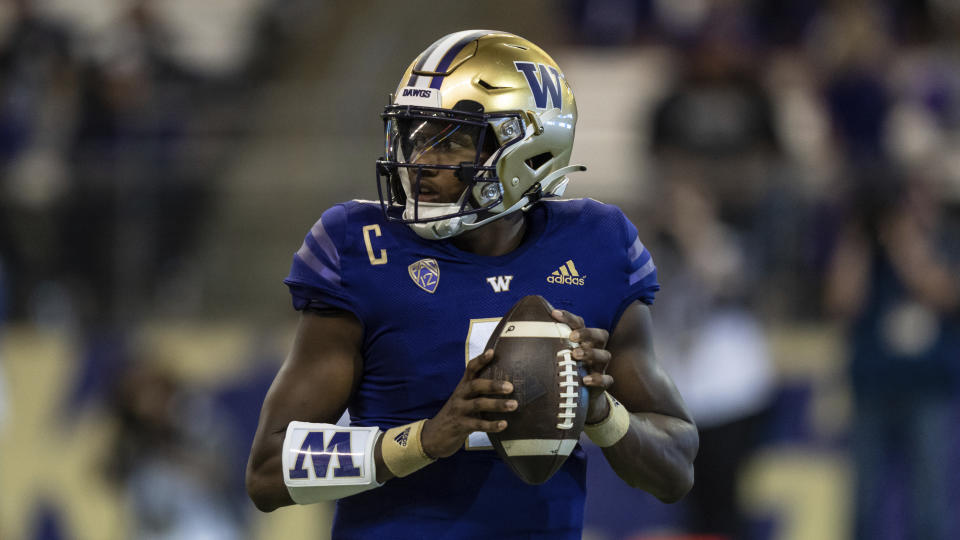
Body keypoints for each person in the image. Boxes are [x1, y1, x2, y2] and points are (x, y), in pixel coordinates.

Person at [246, 30, 698, 539]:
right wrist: (424, 440)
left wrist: (601, 411)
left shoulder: (599, 244)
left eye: (451, 138)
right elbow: (268, 470)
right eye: (415, 133)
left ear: (529, 150)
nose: (420, 160)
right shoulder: (359, 245)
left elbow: (676, 470)